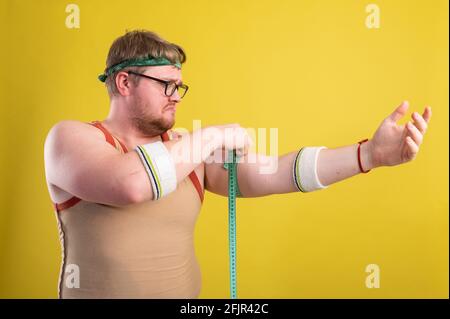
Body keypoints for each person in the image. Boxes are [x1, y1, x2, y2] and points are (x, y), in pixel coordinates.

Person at [44, 30, 432, 299]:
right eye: (165, 85)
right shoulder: (72, 139)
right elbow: (131, 184)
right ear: (124, 82)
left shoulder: (186, 149)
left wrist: (368, 156)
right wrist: (212, 136)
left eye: (179, 87)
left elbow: (279, 172)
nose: (176, 97)